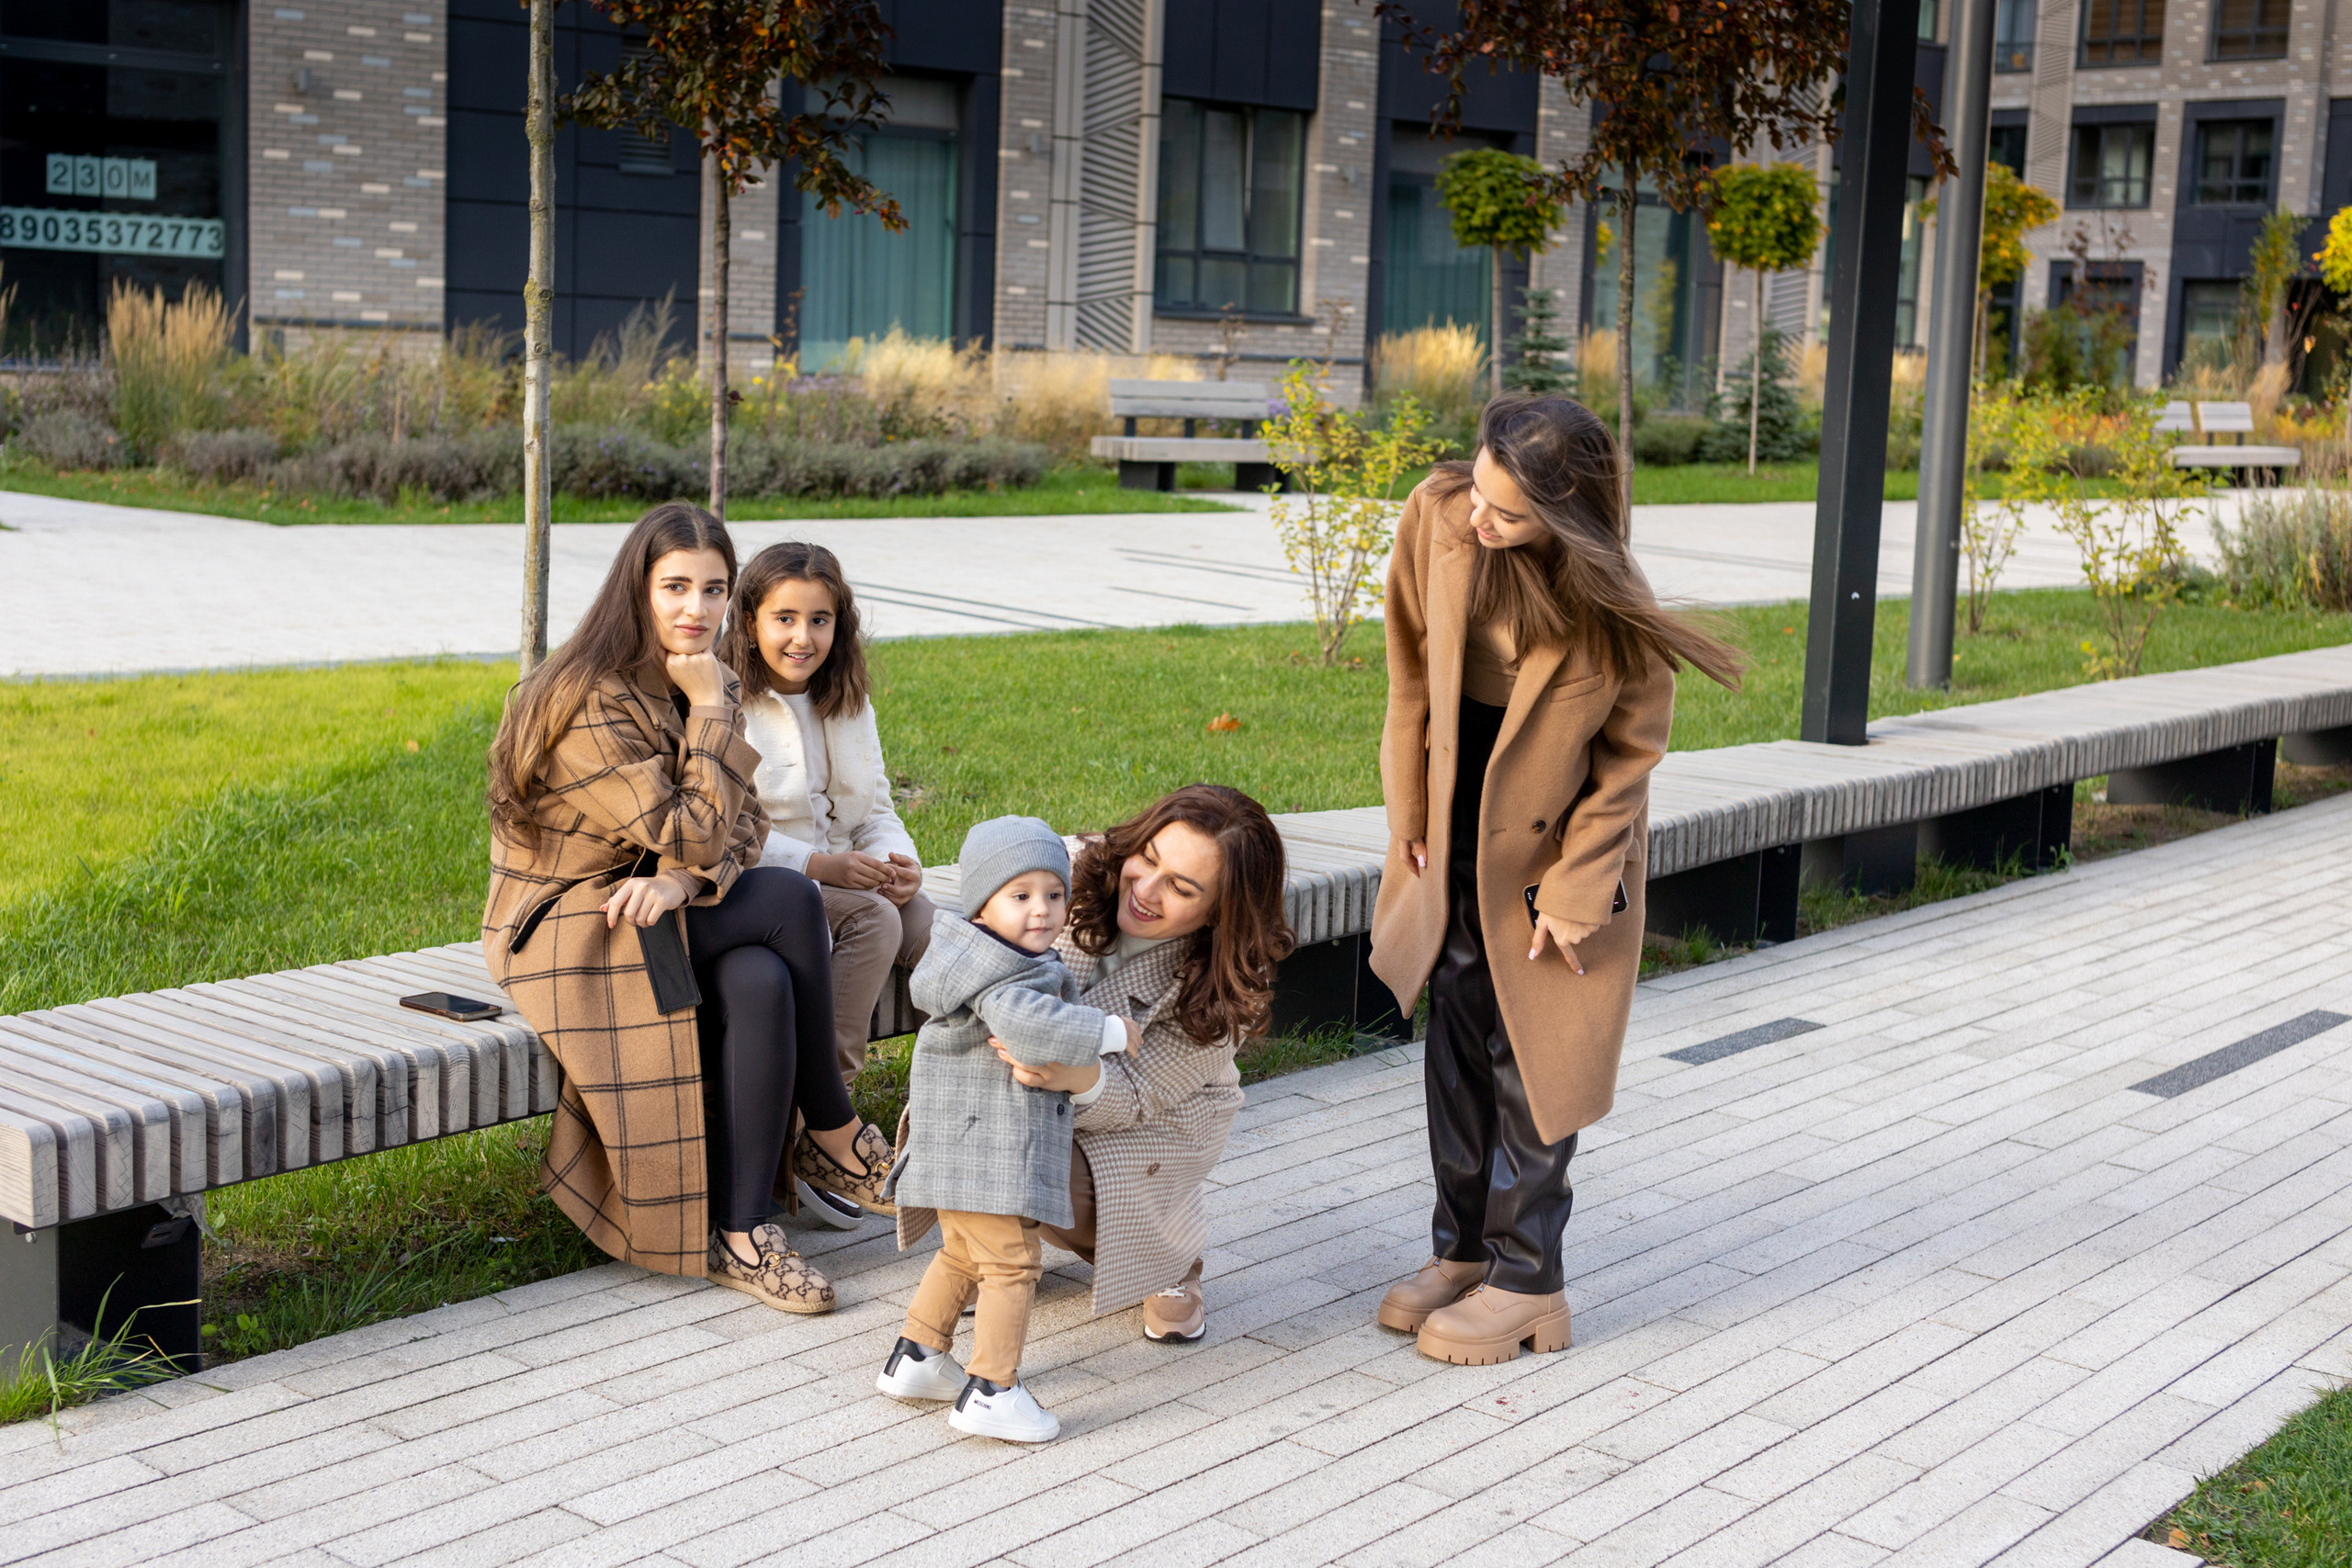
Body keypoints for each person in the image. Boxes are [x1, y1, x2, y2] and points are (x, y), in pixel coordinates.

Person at [1370, 394, 1742, 1366]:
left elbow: (1628, 763)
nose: (1479, 522)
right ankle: (1460, 1252)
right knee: (1454, 1023)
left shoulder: (1611, 609)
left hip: (1554, 851)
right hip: (1452, 819)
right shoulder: (1437, 517)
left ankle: (1529, 1279)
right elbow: (1408, 673)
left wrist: (1578, 892)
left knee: (1533, 1051)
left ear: (1567, 518)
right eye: (1479, 496)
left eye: (1507, 514)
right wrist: (1408, 810)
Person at [481, 502, 896, 1317]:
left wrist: (680, 885)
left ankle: (745, 1231)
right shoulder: (582, 698)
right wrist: (709, 719)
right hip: (569, 923)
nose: (695, 610)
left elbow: (741, 829)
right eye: (675, 587)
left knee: (758, 977)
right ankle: (834, 1129)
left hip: (657, 902)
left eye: (713, 590)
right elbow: (692, 828)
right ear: (635, 588)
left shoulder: (703, 677)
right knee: (785, 895)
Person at [992, 784, 1295, 1344]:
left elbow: (1134, 1097)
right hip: (1035, 1087)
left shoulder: (1223, 991)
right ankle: (989, 1249)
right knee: (964, 1114)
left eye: (1181, 887)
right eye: (1149, 859)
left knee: (1043, 1158)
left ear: (1220, 912)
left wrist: (1073, 1075)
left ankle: (1169, 1257)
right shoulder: (1067, 889)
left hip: (1154, 1123)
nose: (1146, 891)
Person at [878, 817, 1141, 1443]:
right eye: (1019, 896)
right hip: (988, 1150)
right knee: (1013, 1263)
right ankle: (993, 1388)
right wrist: (1107, 1033)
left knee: (964, 1252)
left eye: (1054, 894)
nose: (1041, 911)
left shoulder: (978, 954)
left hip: (959, 1146)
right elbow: (1027, 1024)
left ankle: (916, 1357)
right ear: (982, 903)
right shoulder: (1002, 971)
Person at [722, 541, 934, 1225]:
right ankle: (824, 1122)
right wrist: (822, 868)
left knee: (942, 933)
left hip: (852, 875)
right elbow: (728, 829)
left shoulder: (847, 700)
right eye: (784, 617)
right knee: (875, 921)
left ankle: (959, 1115)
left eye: (820, 619)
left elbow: (875, 810)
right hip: (771, 885)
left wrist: (899, 861)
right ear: (750, 619)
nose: (801, 636)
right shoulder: (727, 704)